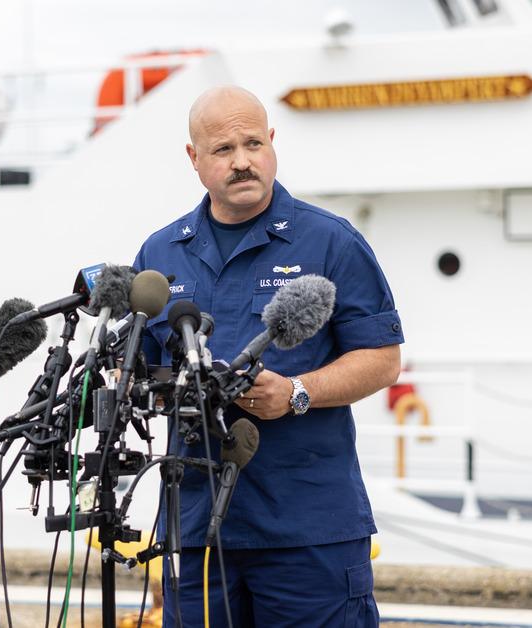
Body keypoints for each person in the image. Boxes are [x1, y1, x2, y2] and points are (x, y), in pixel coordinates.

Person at [134, 86, 403, 626]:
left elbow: (382, 359)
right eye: (223, 150)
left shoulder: (330, 242)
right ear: (194, 158)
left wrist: (298, 392)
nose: (241, 162)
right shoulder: (159, 254)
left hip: (307, 531)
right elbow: (137, 370)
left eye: (253, 144)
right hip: (196, 532)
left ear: (272, 143)